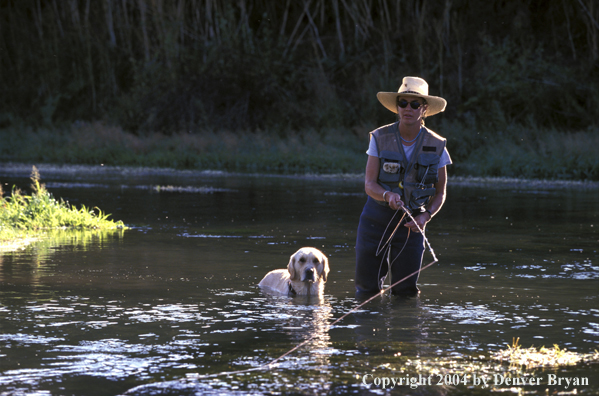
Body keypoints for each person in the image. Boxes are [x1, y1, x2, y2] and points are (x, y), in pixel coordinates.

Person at [355, 76, 451, 296]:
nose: (408, 108)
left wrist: (425, 217)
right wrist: (387, 195)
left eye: (415, 104)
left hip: (413, 224)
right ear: (397, 107)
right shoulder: (378, 137)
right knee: (366, 290)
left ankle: (406, 329)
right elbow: (369, 185)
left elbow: (440, 193)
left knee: (405, 293)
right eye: (403, 103)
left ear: (424, 109)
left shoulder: (438, 146)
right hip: (375, 221)